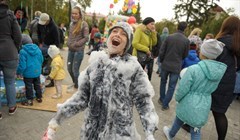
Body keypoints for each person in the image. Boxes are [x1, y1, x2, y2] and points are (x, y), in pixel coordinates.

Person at [43, 22, 159, 140]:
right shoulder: (96, 65)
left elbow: (144, 103)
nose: (118, 35)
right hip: (91, 133)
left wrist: (149, 133)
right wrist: (55, 122)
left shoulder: (133, 68)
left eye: (123, 34)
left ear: (127, 43)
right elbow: (81, 98)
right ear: (108, 38)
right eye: (114, 31)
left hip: (120, 135)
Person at [163, 39, 227, 140]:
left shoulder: (193, 69)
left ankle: (171, 134)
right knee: (196, 130)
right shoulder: (218, 73)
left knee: (179, 118)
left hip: (188, 101)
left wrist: (178, 98)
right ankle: (170, 133)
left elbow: (183, 87)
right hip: (204, 103)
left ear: (203, 52)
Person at [211, 16, 240, 140]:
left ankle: (189, 124)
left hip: (215, 82)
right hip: (231, 84)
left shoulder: (219, 43)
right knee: (219, 112)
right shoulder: (238, 45)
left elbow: (210, 61)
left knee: (205, 105)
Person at [159, 21, 189, 110]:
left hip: (166, 64)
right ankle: (165, 104)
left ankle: (162, 99)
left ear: (177, 27)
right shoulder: (186, 40)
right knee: (172, 86)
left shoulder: (169, 37)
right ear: (185, 29)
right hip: (176, 66)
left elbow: (162, 51)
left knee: (163, 82)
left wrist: (161, 60)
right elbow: (185, 55)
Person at [0, 0, 22, 118]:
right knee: (9, 82)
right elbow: (18, 35)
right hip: (9, 52)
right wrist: (16, 47)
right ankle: (12, 107)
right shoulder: (10, 15)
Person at [66, 5, 89, 93]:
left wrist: (76, 44)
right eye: (72, 13)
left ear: (79, 14)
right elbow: (70, 36)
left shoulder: (84, 24)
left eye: (76, 13)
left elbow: (86, 38)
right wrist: (68, 42)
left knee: (75, 70)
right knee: (69, 68)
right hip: (70, 50)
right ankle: (75, 83)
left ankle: (78, 87)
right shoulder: (71, 23)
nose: (73, 15)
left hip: (78, 51)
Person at [17, 34, 43, 106]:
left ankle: (29, 101)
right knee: (37, 85)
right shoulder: (37, 49)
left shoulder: (23, 51)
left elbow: (22, 65)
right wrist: (38, 67)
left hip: (28, 74)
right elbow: (41, 59)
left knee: (29, 87)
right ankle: (39, 97)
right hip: (37, 72)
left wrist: (18, 72)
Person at [38, 13, 60, 87]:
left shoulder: (54, 28)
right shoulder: (43, 24)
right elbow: (40, 33)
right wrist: (40, 42)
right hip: (44, 45)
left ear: (47, 20)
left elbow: (57, 40)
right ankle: (40, 78)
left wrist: (54, 51)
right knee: (41, 61)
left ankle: (51, 82)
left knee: (51, 64)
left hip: (52, 47)